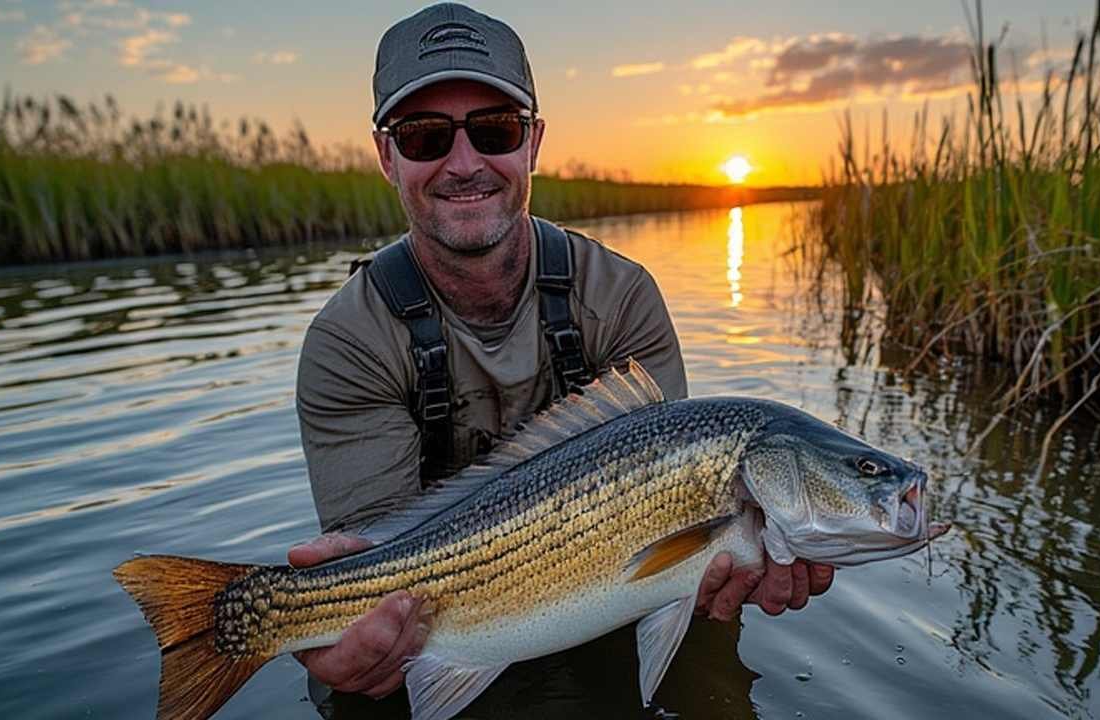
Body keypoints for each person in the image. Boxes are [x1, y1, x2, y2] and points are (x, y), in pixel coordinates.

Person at [289, 1, 835, 709]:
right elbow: (378, 558)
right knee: (363, 680)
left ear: (533, 143)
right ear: (386, 155)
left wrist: (722, 568)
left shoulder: (622, 298)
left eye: (494, 130)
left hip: (615, 602)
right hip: (440, 619)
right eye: (424, 136)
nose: (464, 163)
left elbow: (671, 536)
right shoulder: (347, 343)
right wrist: (330, 616)